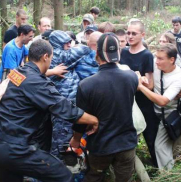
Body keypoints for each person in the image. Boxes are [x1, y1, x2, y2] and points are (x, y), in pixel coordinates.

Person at [0, 39, 98, 182]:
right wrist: (93, 120)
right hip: (15, 150)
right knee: (63, 175)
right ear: (45, 57)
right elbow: (66, 110)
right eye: (51, 57)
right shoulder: (37, 83)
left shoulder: (17, 73)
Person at [71, 32, 138, 182]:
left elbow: (80, 119)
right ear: (118, 53)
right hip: (126, 144)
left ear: (97, 54)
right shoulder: (132, 77)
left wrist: (76, 140)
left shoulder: (86, 85)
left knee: (95, 177)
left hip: (101, 145)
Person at [49, 30, 99, 157]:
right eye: (66, 44)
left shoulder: (58, 58)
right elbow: (77, 53)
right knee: (61, 143)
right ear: (58, 44)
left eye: (70, 42)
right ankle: (58, 168)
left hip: (70, 110)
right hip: (63, 110)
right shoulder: (57, 56)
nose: (70, 46)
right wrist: (87, 48)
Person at [137, 43, 181, 170]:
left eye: (160, 58)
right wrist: (142, 78)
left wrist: (141, 87)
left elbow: (163, 101)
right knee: (158, 145)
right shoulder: (155, 64)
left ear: (172, 60)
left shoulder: (179, 76)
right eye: (156, 57)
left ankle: (169, 175)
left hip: (169, 115)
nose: (156, 61)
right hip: (154, 113)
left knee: (161, 147)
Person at [120, 19, 159, 167]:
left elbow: (149, 84)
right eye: (128, 33)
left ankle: (157, 165)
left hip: (143, 102)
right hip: (126, 102)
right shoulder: (123, 52)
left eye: (134, 33)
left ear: (142, 35)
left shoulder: (146, 55)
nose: (130, 36)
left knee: (150, 136)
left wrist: (137, 81)